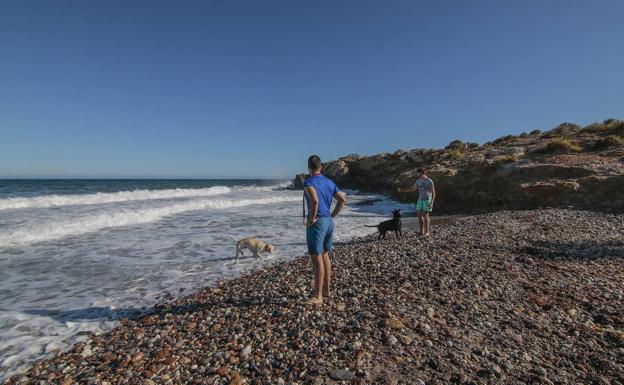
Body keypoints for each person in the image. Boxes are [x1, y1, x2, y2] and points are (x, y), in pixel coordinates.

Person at [303, 155, 346, 305]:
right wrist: (332, 215)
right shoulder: (329, 182)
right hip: (328, 221)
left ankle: (318, 296)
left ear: (309, 168)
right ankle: (327, 290)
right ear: (321, 167)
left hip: (317, 223)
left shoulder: (308, 182)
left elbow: (314, 201)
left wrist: (310, 220)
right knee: (326, 256)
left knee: (317, 260)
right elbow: (342, 199)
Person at [415, 168, 435, 236]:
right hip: (420, 200)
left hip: (427, 200)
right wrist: (403, 190)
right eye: (418, 174)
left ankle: (427, 232)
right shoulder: (418, 180)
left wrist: (432, 203)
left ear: (423, 173)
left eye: (419, 174)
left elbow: (433, 192)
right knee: (419, 215)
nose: (418, 175)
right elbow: (413, 188)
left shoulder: (429, 181)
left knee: (425, 215)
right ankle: (421, 231)